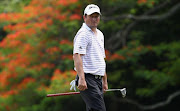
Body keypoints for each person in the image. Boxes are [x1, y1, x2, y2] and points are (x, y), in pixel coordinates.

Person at [73, 4, 108, 111]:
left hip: (97, 79)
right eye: (91, 16)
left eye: (96, 16)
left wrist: (104, 80)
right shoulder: (83, 34)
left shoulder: (100, 34)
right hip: (87, 79)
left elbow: (101, 58)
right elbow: (76, 55)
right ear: (85, 17)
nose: (94, 19)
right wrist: (82, 79)